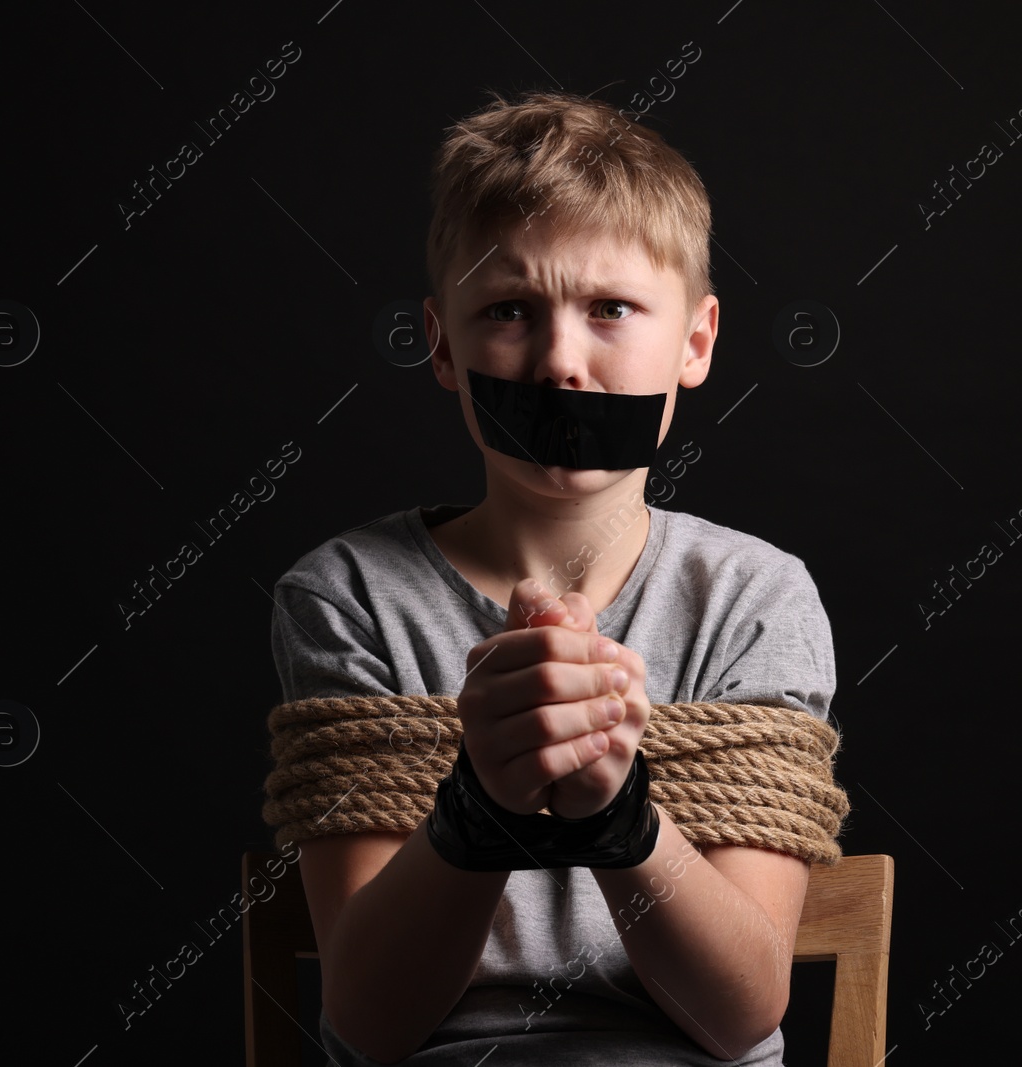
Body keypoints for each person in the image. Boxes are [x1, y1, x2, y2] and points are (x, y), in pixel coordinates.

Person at [265, 88, 842, 1065]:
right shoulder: (348, 596)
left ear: (695, 341)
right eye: (507, 311)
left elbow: (741, 1011)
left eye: (611, 307)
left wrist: (617, 818)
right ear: (442, 343)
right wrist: (482, 808)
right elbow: (366, 1022)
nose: (560, 362)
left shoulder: (756, 598)